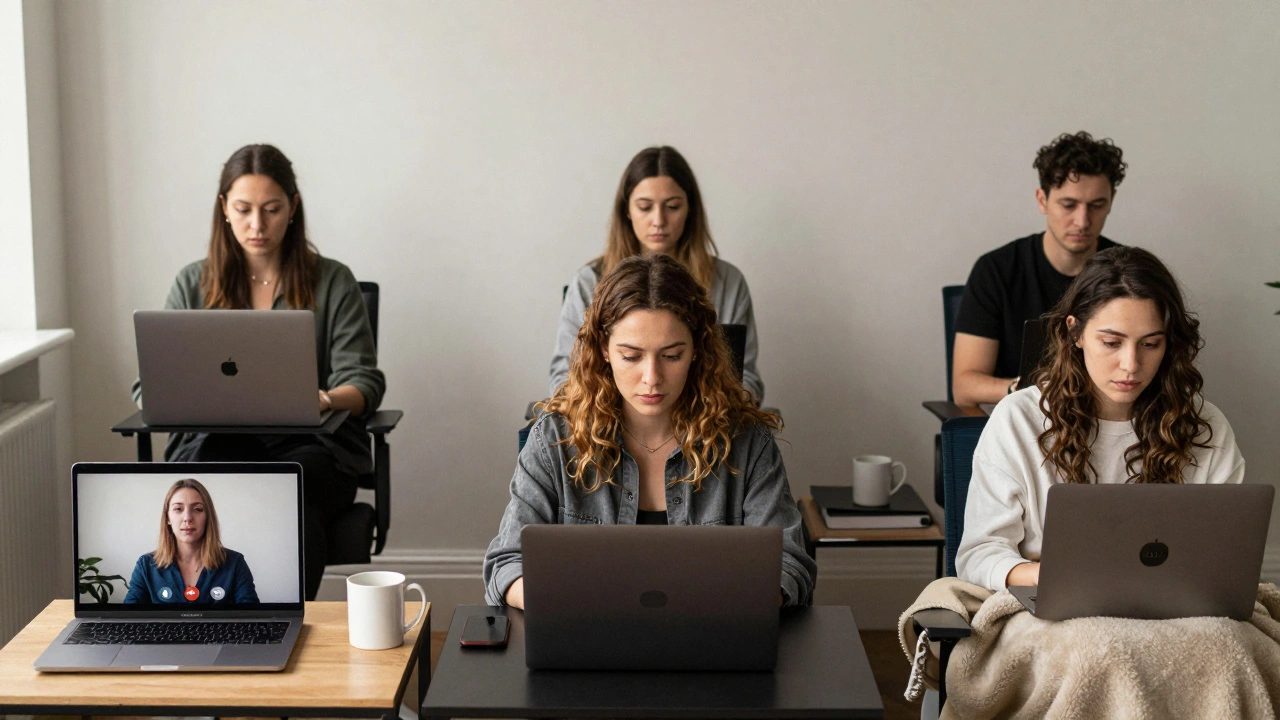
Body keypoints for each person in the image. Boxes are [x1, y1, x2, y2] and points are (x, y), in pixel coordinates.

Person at [130, 144, 385, 600]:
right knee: (226, 476)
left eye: (271, 209)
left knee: (288, 489)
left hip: (315, 447)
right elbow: (148, 386)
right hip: (214, 442)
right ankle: (219, 625)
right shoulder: (193, 282)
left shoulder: (333, 281)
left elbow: (364, 382)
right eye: (244, 209)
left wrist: (326, 398)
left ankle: (283, 624)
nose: (257, 225)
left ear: (293, 208)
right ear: (224, 209)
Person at [489, 254, 815, 608]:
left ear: (696, 352)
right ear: (604, 350)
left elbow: (789, 565)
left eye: (672, 355)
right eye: (631, 356)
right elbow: (506, 565)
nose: (652, 377)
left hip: (712, 647)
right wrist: (579, 603)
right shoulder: (554, 439)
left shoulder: (747, 442)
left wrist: (723, 606)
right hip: (589, 646)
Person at [956, 247, 1245, 591]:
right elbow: (979, 555)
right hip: (1053, 601)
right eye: (1111, 343)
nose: (1130, 365)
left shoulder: (1205, 425)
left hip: (1174, 607)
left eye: (1150, 344)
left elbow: (1229, 555)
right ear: (1075, 332)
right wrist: (1052, 576)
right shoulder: (1019, 419)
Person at [549, 146, 765, 403]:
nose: (659, 220)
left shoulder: (728, 282)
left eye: (672, 206)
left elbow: (745, 379)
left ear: (690, 209)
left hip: (704, 426)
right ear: (627, 210)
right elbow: (564, 379)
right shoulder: (589, 282)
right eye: (645, 207)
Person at [952, 131, 1127, 406]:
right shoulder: (997, 270)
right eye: (1068, 205)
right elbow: (964, 387)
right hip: (1021, 421)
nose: (1082, 221)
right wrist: (1029, 389)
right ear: (1042, 200)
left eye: (1096, 205)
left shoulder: (1127, 272)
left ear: (1111, 200)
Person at [125, 478, 258, 604]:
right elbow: (129, 618)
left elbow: (252, 618)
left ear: (207, 517)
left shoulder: (235, 563)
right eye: (178, 509)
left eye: (197, 509)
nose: (187, 518)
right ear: (168, 518)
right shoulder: (146, 565)